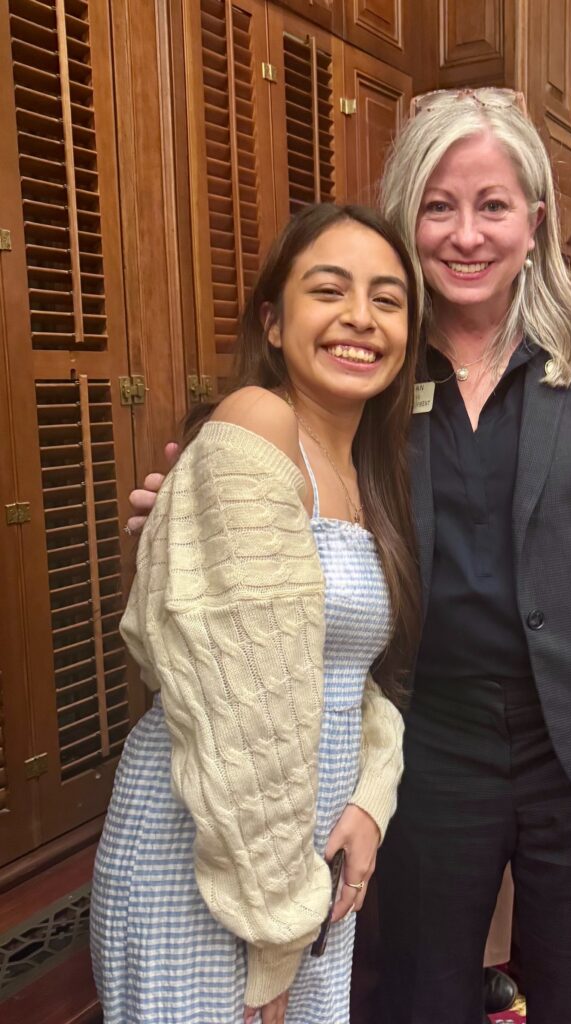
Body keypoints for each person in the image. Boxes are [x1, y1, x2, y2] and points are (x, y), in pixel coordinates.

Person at [127, 90, 571, 1024]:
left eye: (492, 206)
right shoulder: (378, 357)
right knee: (415, 988)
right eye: (439, 207)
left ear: (535, 219)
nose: (466, 234)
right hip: (430, 731)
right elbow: (293, 486)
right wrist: (192, 516)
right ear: (409, 217)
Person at [91, 203, 423, 1024]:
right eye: (329, 290)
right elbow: (246, 715)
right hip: (217, 868)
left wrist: (371, 799)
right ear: (272, 323)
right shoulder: (259, 422)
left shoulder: (369, 473)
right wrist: (275, 944)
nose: (359, 318)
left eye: (387, 299)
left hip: (301, 876)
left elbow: (351, 682)